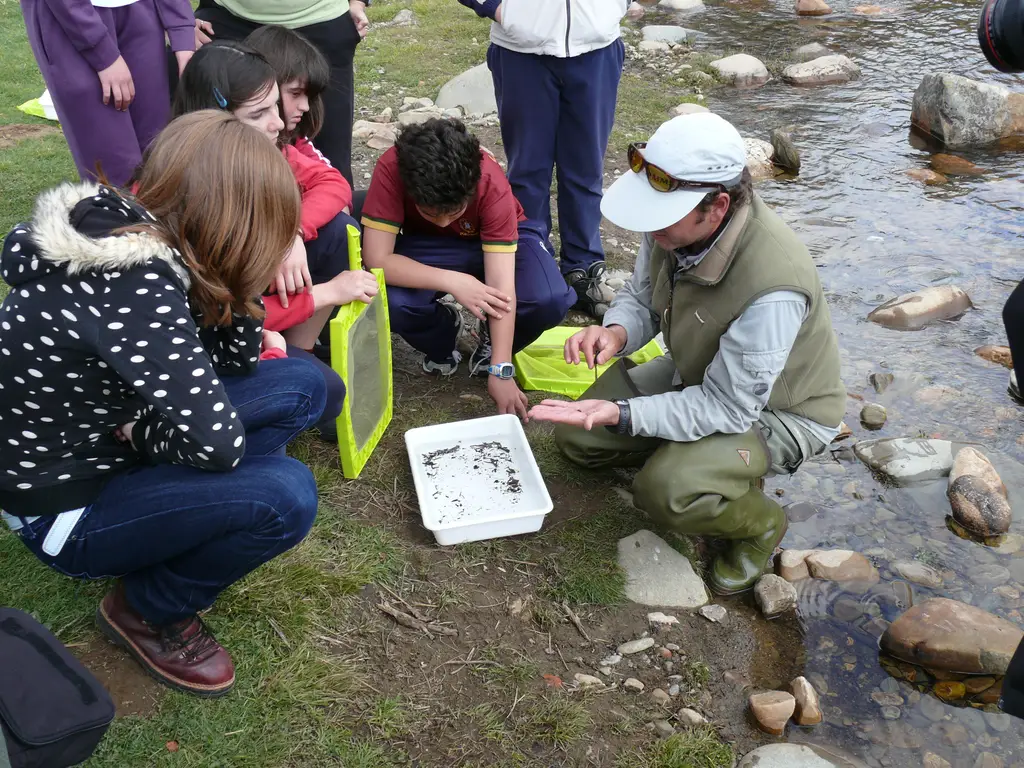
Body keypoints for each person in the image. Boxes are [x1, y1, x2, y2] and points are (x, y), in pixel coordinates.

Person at [0, 111, 327, 696]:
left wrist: (237, 281)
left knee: (308, 385)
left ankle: (190, 511)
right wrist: (147, 433)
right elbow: (218, 444)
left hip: (105, 442)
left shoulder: (132, 232)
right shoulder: (137, 283)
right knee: (286, 495)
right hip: (65, 511)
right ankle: (146, 609)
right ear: (234, 223)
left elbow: (234, 364)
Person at [530, 113, 847, 595]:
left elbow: (728, 406)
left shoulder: (773, 286)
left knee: (665, 492)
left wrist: (624, 413)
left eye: (660, 218)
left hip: (781, 412)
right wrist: (616, 333)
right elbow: (640, 297)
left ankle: (761, 525)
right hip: (695, 371)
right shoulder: (672, 225)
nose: (649, 228)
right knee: (578, 441)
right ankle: (699, 459)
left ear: (718, 206)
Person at [173, 40, 378, 439]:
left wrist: (291, 232)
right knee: (325, 394)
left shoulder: (260, 155)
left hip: (242, 323)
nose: (281, 123)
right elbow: (221, 317)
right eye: (260, 112)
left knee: (339, 228)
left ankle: (295, 351)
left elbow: (333, 183)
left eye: (275, 106)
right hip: (203, 350)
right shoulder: (193, 205)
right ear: (214, 118)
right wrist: (326, 294)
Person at [361, 118, 576, 419]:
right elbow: (377, 259)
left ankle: (493, 341)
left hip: (496, 238)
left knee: (549, 297)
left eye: (454, 211)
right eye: (430, 212)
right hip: (426, 245)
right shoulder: (393, 167)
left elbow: (501, 282)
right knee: (390, 301)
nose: (443, 221)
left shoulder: (489, 179)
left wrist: (501, 369)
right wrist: (453, 281)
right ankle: (442, 335)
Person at [456, 0, 657, 318]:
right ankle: (534, 267)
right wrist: (499, 8)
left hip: (597, 47)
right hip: (520, 52)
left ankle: (584, 271)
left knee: (586, 169)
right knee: (527, 172)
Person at [187, 0, 369, 185]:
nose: (306, 106)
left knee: (333, 159)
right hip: (228, 17)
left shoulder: (299, 150)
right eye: (296, 93)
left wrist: (357, 3)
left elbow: (334, 183)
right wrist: (180, 19)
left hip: (322, 20)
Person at [19, 0, 196, 186]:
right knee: (116, 168)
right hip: (69, 18)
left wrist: (182, 27)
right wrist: (103, 54)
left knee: (157, 152)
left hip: (141, 12)